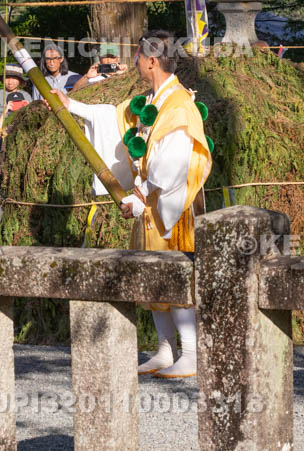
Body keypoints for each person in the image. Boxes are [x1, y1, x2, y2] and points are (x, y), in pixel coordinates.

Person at [52, 30, 212, 379]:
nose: (136, 62)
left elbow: (174, 163)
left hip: (173, 203)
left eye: (139, 57)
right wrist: (71, 106)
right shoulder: (153, 99)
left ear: (152, 60)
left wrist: (141, 195)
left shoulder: (179, 106)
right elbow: (114, 118)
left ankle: (193, 351)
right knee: (151, 274)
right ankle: (165, 348)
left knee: (174, 274)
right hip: (149, 200)